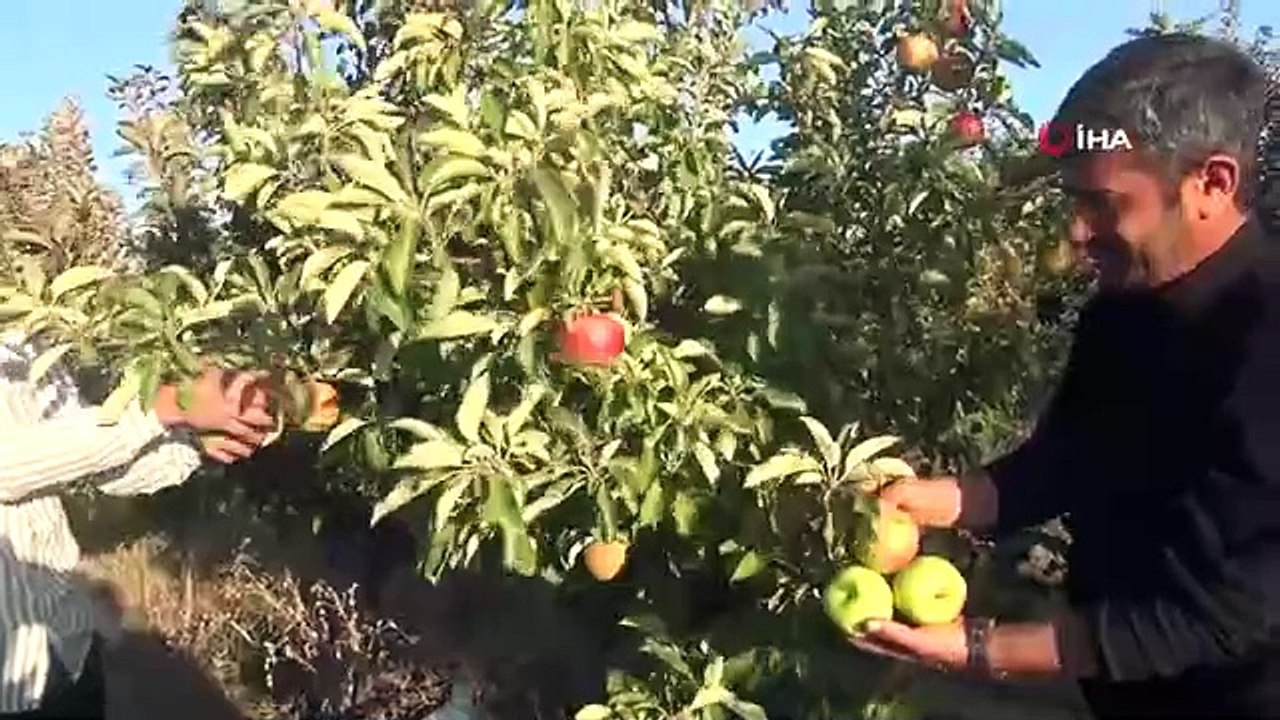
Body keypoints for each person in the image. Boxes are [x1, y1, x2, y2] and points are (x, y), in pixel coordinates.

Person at [849, 33, 1280, 719]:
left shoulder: (1264, 341)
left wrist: (979, 649)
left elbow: (1219, 616)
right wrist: (948, 499)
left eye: (1104, 203)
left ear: (1212, 183)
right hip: (1117, 692)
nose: (1078, 233)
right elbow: (1067, 459)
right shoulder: (1120, 313)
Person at [0, 335, 275, 719]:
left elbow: (96, 457)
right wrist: (168, 405)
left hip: (68, 644)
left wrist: (189, 441)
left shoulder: (25, 340)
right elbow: (7, 466)